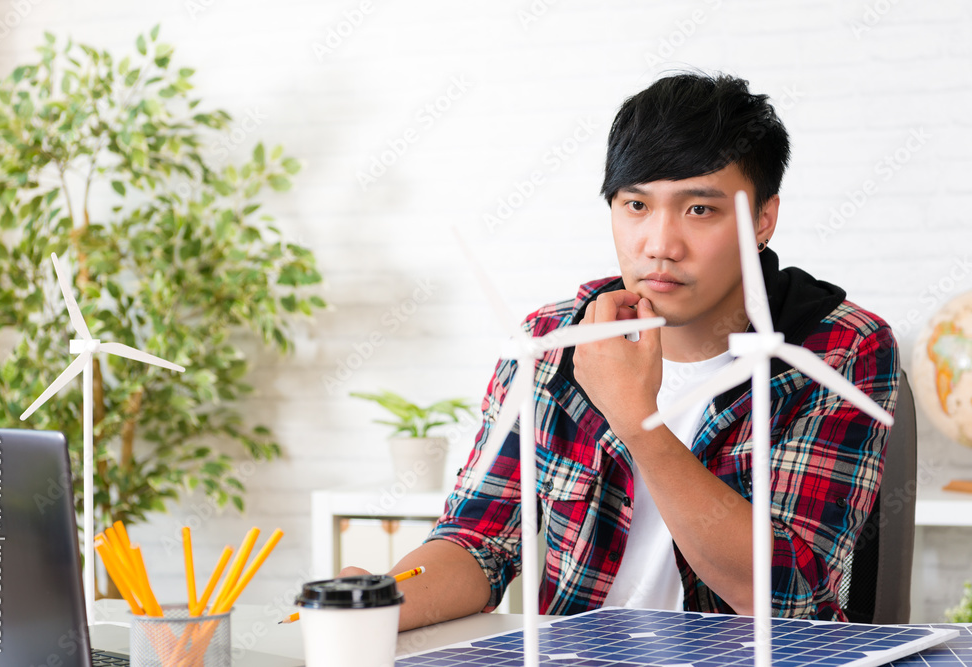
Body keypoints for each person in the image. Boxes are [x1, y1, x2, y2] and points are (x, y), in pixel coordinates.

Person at [340, 72, 900, 630]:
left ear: (762, 220)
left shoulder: (840, 348)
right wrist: (381, 604)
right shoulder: (551, 340)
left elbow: (788, 598)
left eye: (699, 210)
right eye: (636, 206)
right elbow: (479, 540)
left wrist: (638, 422)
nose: (660, 246)